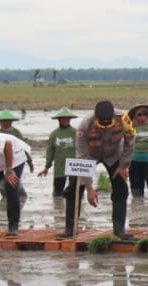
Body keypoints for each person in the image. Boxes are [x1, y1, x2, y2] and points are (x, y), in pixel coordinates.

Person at [58, 101, 136, 241]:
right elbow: (82, 156)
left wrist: (123, 166)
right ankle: (70, 229)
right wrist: (89, 187)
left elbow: (130, 143)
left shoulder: (124, 119)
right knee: (74, 187)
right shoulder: (84, 125)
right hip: (90, 155)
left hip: (113, 155)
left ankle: (119, 230)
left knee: (121, 189)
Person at [37, 107, 78, 198]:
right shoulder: (54, 134)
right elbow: (50, 151)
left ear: (70, 119)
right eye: (63, 119)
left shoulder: (75, 132)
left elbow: (83, 149)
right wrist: (47, 167)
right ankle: (58, 209)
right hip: (60, 166)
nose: (65, 120)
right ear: (59, 120)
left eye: (67, 118)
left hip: (74, 166)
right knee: (57, 194)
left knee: (76, 191)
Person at [128, 104, 148, 198]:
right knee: (136, 189)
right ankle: (137, 208)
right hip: (134, 161)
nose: (142, 116)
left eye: (145, 114)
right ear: (134, 116)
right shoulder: (130, 128)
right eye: (139, 114)